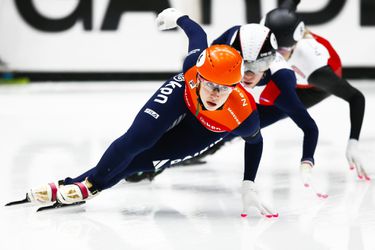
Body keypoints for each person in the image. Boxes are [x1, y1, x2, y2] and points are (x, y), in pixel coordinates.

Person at [21, 9, 278, 218]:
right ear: (198, 75)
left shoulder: (243, 115)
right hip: (182, 95)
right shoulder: (192, 66)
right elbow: (196, 34)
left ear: (234, 88)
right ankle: (87, 185)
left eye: (223, 89)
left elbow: (255, 141)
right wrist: (179, 17)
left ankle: (79, 183)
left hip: (206, 127)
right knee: (138, 139)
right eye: (209, 83)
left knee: (148, 159)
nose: (214, 93)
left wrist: (248, 183)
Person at [127, 12, 322, 194]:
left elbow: (309, 127)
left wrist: (307, 161)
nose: (249, 74)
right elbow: (201, 64)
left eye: (259, 65)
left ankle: (160, 164)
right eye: (243, 64)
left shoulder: (281, 84)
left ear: (270, 62)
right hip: (226, 94)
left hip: (260, 108)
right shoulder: (228, 42)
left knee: (218, 135)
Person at [261, 2, 368, 180]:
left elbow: (356, 97)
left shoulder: (316, 72)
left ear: (294, 45)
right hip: (298, 72)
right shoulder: (277, 23)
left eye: (281, 51)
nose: (275, 56)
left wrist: (353, 142)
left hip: (314, 88)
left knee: (258, 117)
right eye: (271, 48)